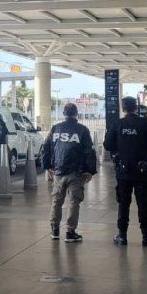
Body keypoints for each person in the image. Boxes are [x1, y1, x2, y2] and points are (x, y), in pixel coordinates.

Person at [104, 97, 147, 247]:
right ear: (135, 108)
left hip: (123, 171)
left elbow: (107, 144)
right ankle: (146, 236)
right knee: (143, 203)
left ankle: (122, 236)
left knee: (123, 203)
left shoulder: (117, 124)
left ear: (123, 108)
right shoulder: (145, 124)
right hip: (142, 171)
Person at [41, 103, 97, 243]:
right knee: (74, 201)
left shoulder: (55, 128)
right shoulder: (82, 130)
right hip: (75, 172)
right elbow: (89, 151)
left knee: (57, 200)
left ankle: (54, 230)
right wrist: (89, 170)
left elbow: (45, 147)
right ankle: (70, 232)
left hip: (58, 171)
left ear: (64, 114)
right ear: (76, 113)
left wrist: (47, 166)